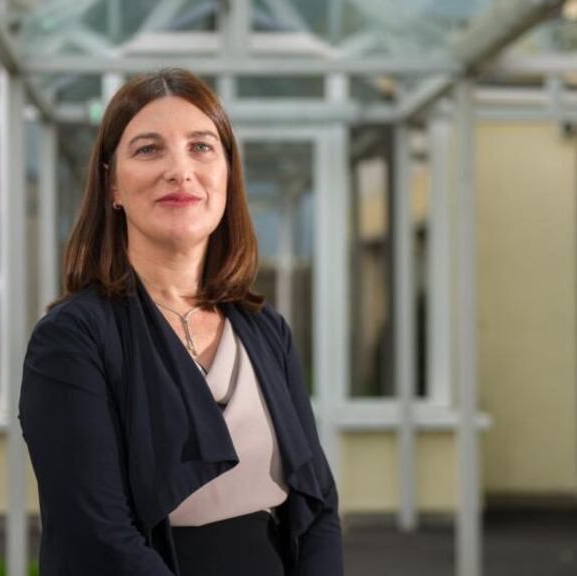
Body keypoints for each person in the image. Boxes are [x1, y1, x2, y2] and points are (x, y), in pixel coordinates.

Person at [18, 67, 343, 576]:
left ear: (227, 175)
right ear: (113, 186)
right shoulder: (72, 340)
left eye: (201, 147)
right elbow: (96, 536)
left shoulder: (265, 330)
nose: (180, 170)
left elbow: (318, 504)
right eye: (149, 149)